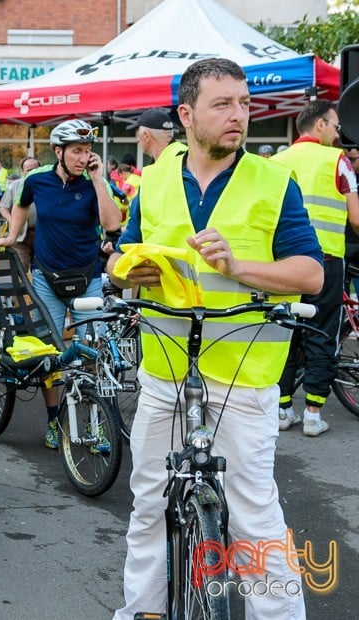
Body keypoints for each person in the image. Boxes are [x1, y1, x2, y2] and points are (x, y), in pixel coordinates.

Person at [106, 57, 321, 620]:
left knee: (254, 518)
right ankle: (143, 609)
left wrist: (240, 266)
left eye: (245, 104)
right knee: (149, 505)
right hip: (164, 369)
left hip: (243, 378)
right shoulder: (154, 180)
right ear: (186, 114)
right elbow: (120, 258)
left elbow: (311, 274)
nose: (239, 116)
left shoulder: (274, 181)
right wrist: (125, 273)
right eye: (223, 104)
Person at [0, 118, 122, 450]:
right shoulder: (37, 180)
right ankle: (53, 422)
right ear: (58, 151)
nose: (83, 157)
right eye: (77, 151)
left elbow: (111, 224)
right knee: (49, 355)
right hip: (47, 278)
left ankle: (98, 426)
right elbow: (20, 203)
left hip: (88, 277)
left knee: (94, 352)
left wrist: (97, 179)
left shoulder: (95, 181)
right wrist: (11, 235)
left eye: (88, 151)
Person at [271, 100, 359, 436]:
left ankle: (282, 410)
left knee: (286, 332)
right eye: (336, 127)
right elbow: (356, 218)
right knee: (322, 331)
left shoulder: (276, 162)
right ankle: (312, 414)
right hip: (325, 261)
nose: (338, 136)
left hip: (284, 263)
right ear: (320, 124)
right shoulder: (335, 160)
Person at [0, 156, 40, 270]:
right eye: (28, 170)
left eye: (35, 169)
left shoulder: (46, 186)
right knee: (21, 268)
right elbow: (2, 207)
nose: (32, 172)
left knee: (40, 270)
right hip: (20, 236)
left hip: (41, 235)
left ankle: (37, 288)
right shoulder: (14, 186)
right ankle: (23, 288)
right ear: (22, 171)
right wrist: (12, 219)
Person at [128, 108, 187, 172]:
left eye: (138, 135)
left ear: (146, 136)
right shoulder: (184, 156)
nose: (137, 140)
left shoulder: (182, 161)